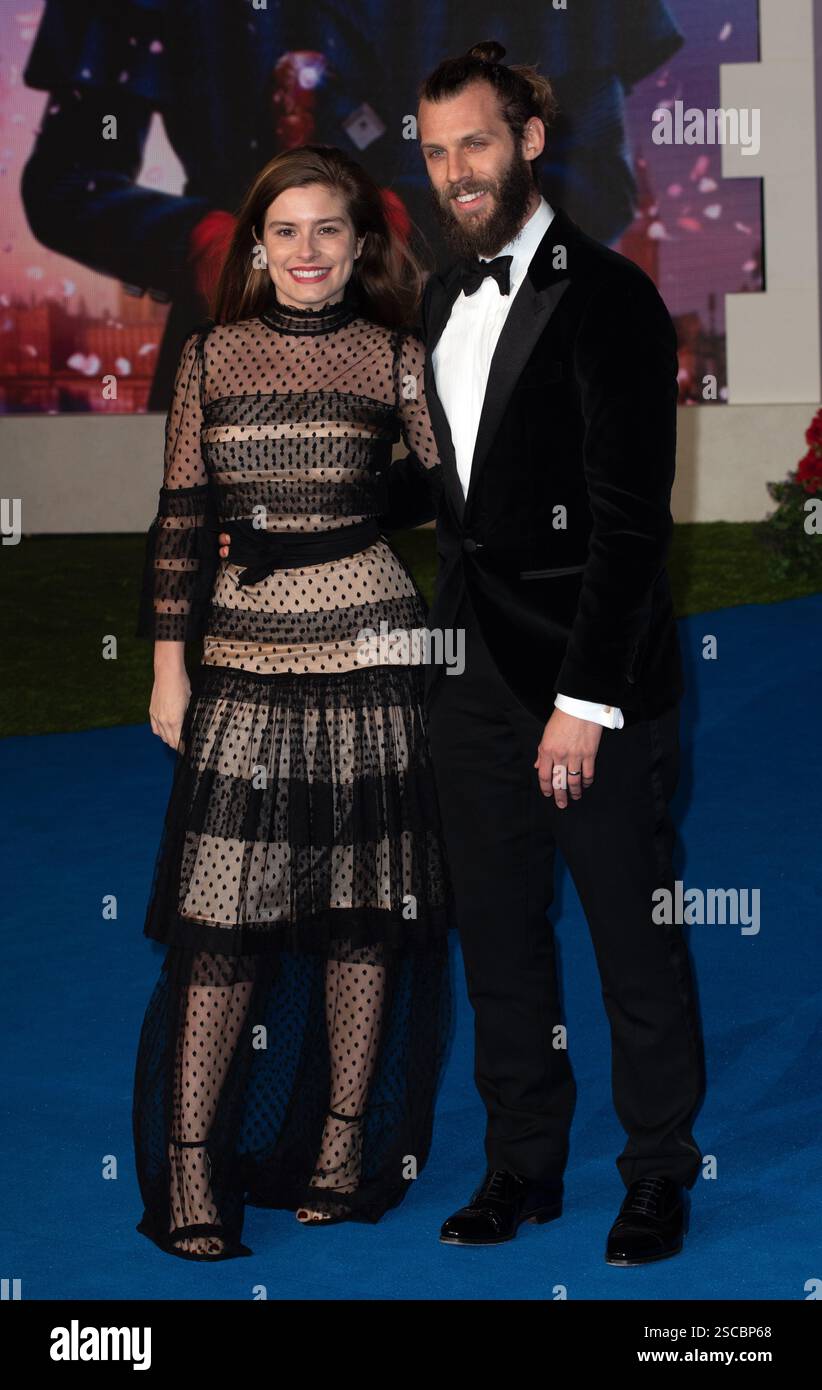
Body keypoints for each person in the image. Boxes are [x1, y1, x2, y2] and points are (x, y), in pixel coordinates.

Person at [132, 144, 452, 1261]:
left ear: (359, 246)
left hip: (371, 651)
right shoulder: (211, 358)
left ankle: (339, 1149)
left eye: (329, 230)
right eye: (286, 231)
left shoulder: (398, 356)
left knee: (365, 913)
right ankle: (191, 1172)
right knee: (221, 925)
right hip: (242, 660)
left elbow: (454, 498)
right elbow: (179, 519)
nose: (308, 250)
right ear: (256, 251)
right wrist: (169, 665)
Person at [414, 41, 705, 1264]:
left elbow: (630, 522)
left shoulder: (613, 298)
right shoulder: (438, 298)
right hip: (473, 679)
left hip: (593, 686)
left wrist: (582, 703)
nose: (454, 173)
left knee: (630, 935)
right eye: (432, 153)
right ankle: (523, 1166)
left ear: (530, 138)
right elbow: (461, 495)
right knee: (499, 934)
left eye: (474, 143)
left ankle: (656, 1174)